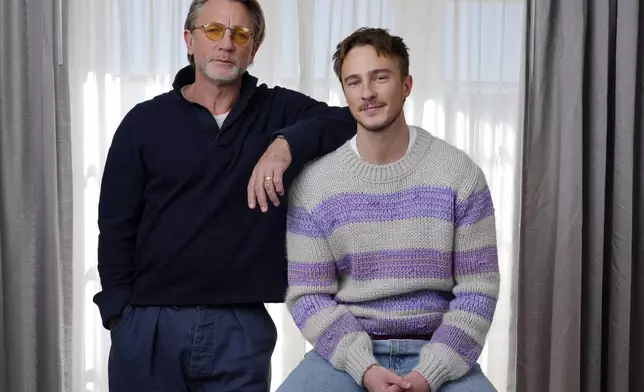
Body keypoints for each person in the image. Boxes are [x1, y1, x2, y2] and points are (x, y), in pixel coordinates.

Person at [94, 0, 356, 391]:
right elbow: (115, 225)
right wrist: (120, 316)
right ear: (189, 39)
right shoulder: (143, 122)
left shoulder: (279, 109)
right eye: (213, 30)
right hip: (149, 323)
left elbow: (348, 119)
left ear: (254, 48)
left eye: (241, 34)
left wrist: (284, 144)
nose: (226, 43)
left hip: (240, 325)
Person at [277, 28, 500, 392]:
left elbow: (479, 288)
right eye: (354, 82)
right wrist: (363, 368)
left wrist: (429, 375)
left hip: (437, 349)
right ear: (345, 92)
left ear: (406, 85)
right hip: (345, 355)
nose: (367, 93)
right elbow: (308, 294)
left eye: (380, 77)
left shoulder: (459, 175)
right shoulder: (315, 186)